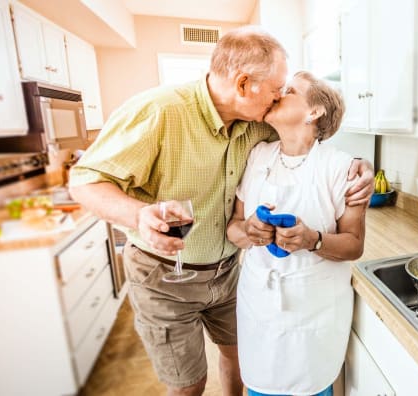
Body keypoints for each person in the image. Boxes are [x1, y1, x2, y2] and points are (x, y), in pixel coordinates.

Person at [68, 27, 374, 396]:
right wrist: (139, 216)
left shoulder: (258, 124)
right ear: (244, 84)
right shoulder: (159, 111)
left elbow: (312, 144)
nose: (279, 96)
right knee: (188, 383)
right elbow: (84, 181)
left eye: (285, 90)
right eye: (278, 87)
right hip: (164, 276)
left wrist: (360, 166)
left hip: (228, 274)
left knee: (239, 359)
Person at [226, 71, 366, 396]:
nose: (278, 94)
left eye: (289, 90)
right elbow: (234, 227)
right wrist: (248, 231)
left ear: (313, 111)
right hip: (259, 305)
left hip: (313, 310)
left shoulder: (341, 168)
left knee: (310, 387)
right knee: (260, 386)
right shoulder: (258, 155)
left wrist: (312, 240)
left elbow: (354, 245)